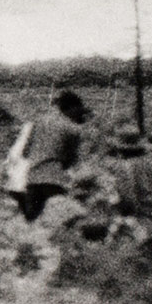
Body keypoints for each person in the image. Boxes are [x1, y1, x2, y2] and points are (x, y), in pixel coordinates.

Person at [14, 89, 89, 222]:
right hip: (54, 180)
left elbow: (25, 153)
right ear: (72, 108)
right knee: (59, 221)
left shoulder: (39, 122)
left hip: (33, 178)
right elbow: (71, 161)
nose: (79, 116)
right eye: (78, 111)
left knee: (32, 222)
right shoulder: (73, 128)